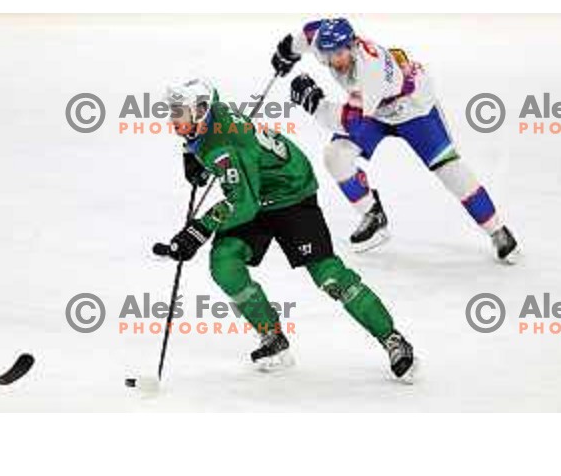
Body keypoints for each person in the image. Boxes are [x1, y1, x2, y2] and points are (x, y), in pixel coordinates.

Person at [154, 77, 415, 379]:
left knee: (328, 276)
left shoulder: (225, 148)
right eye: (172, 110)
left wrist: (198, 230)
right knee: (225, 263)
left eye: (178, 112)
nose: (172, 119)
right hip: (255, 189)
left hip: (291, 191)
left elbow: (243, 205)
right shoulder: (213, 115)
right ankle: (273, 338)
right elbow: (233, 173)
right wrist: (192, 153)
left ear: (200, 111)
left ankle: (393, 339)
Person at [271, 18, 520, 261]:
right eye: (328, 54)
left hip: (413, 109)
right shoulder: (325, 44)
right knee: (335, 156)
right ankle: (373, 215)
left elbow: (352, 122)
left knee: (450, 170)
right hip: (376, 111)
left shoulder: (370, 70)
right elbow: (309, 31)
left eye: (339, 53)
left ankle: (497, 230)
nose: (335, 60)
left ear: (352, 45)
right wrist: (288, 51)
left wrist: (313, 103)